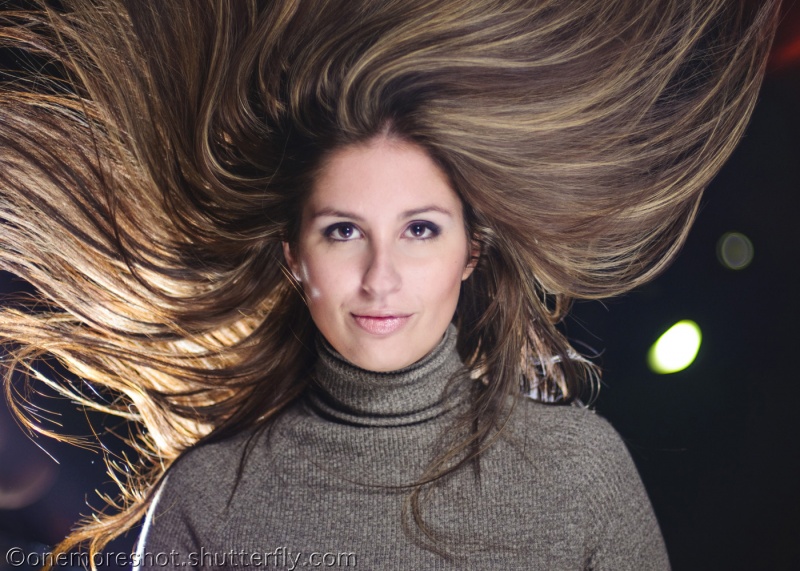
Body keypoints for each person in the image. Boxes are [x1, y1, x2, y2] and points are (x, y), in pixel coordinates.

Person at [0, 0, 779, 569]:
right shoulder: (211, 496)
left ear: (471, 252)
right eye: (343, 231)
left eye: (420, 230)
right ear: (293, 256)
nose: (380, 278)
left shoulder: (577, 472)